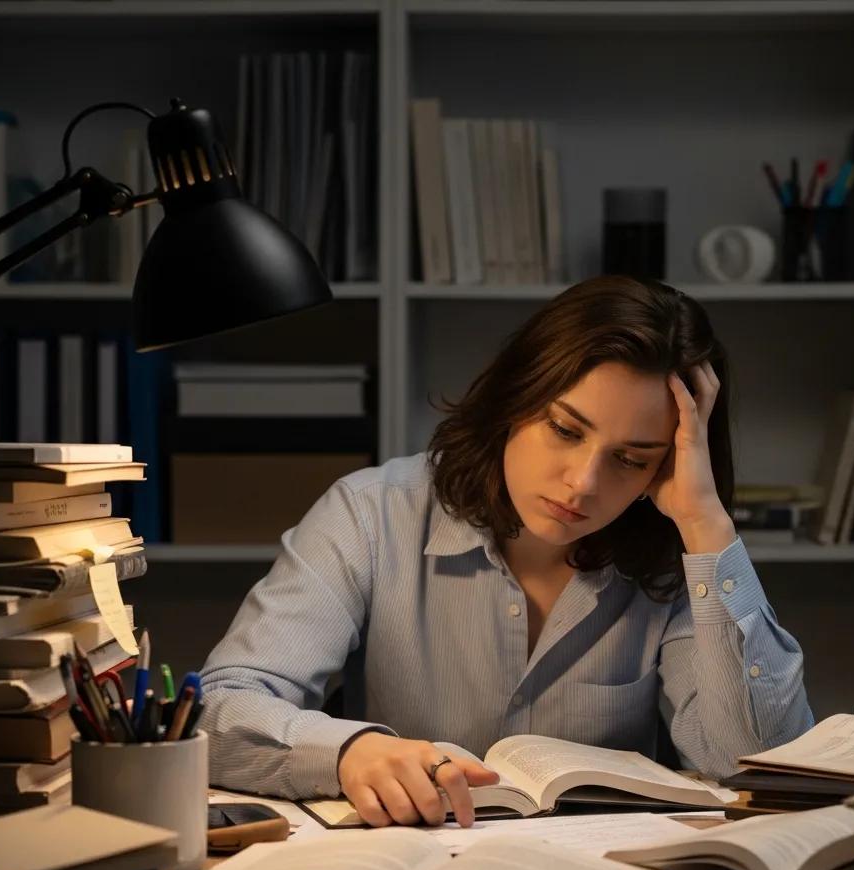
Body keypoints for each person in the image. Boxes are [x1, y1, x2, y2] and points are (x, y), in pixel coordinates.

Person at [200, 275, 813, 828]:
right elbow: (220, 710)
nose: (583, 483)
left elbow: (756, 770)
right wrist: (348, 752)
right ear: (514, 400)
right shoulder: (371, 514)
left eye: (631, 459)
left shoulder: (679, 554)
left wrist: (705, 523)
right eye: (565, 430)